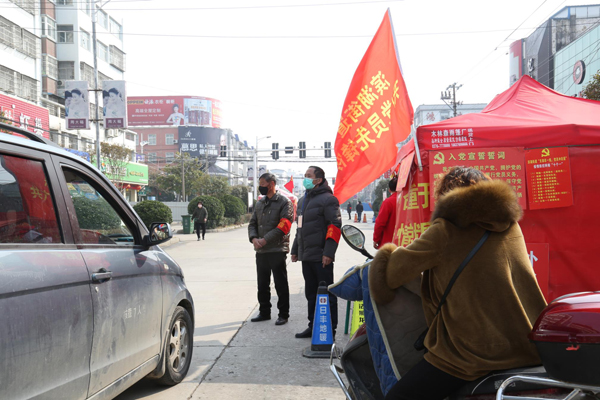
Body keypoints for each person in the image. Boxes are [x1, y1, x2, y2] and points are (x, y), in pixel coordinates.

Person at [369, 166, 547, 400]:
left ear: (447, 196)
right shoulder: (511, 225)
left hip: (471, 353)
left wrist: (386, 254)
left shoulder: (446, 230)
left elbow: (391, 273)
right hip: (527, 345)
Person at [291, 166, 342, 339]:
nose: (305, 179)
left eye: (309, 176)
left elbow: (334, 226)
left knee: (326, 294)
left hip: (321, 256)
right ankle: (313, 326)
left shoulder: (329, 200)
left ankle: (330, 330)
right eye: (305, 175)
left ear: (318, 180)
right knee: (311, 294)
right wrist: (295, 249)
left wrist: (328, 253)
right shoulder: (303, 201)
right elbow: (299, 228)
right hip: (307, 256)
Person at [248, 173, 293, 325]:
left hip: (277, 249)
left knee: (280, 283)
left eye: (262, 184)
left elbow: (284, 226)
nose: (260, 187)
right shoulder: (260, 203)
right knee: (262, 283)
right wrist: (254, 238)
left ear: (271, 184)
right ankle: (264, 312)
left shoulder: (284, 202)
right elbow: (252, 223)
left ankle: (283, 314)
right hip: (261, 250)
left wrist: (265, 239)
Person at [373, 177, 398, 249]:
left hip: (389, 244)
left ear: (389, 190)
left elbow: (380, 223)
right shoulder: (408, 201)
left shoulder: (388, 202)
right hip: (406, 242)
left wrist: (376, 239)